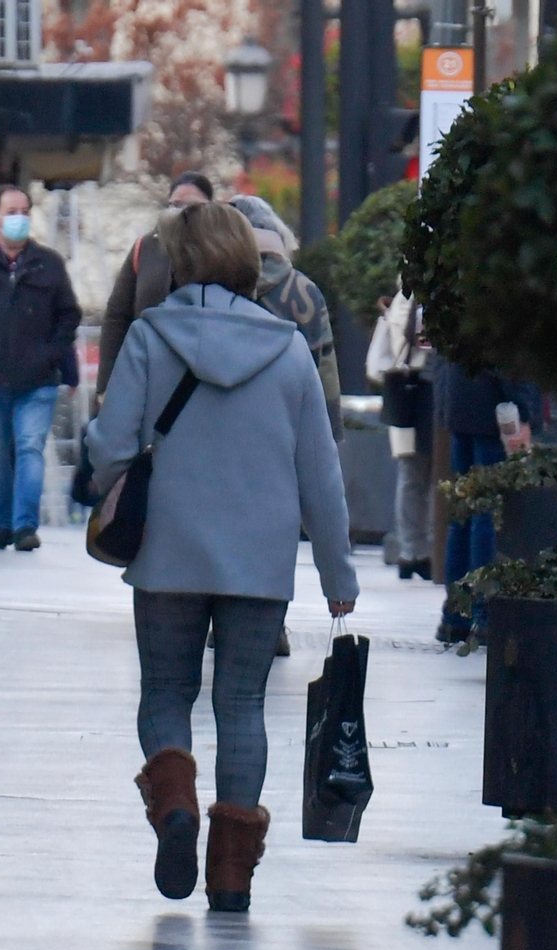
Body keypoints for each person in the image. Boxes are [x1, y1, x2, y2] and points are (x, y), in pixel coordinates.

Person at [83, 203, 357, 913]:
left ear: (180, 261)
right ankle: (231, 876)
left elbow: (110, 447)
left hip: (168, 551)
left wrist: (111, 474)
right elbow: (320, 474)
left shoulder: (150, 338)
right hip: (260, 561)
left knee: (165, 691)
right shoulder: (289, 350)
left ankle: (176, 805)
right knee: (241, 704)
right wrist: (337, 575)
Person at [0, 184, 82, 551]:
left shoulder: (49, 264)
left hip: (38, 380)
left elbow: (68, 316)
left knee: (29, 447)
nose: (20, 219)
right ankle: (3, 524)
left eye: (25, 211)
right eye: (12, 212)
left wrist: (51, 355)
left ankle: (25, 526)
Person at [433, 352, 541, 644]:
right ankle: (484, 613)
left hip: (459, 402)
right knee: (487, 516)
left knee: (464, 514)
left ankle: (456, 615)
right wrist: (524, 409)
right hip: (493, 409)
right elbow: (508, 353)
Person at [227, 195, 343, 442]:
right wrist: (330, 436)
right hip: (291, 426)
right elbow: (326, 371)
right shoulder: (305, 289)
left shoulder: (214, 287)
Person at [97, 170, 214, 396]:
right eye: (175, 205)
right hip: (148, 373)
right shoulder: (146, 248)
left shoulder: (218, 251)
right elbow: (117, 316)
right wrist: (106, 386)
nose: (182, 212)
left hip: (201, 378)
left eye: (192, 206)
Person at [366, 288, 435, 581]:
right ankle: (422, 550)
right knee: (430, 475)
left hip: (403, 392)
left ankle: (411, 551)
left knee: (411, 475)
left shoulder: (399, 303)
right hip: (425, 391)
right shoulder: (418, 303)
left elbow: (377, 365)